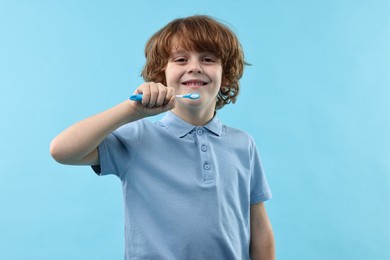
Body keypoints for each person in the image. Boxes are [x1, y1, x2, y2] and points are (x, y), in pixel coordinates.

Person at [50, 15, 275, 260]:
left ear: (226, 76)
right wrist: (131, 110)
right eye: (180, 59)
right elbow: (61, 150)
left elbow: (260, 228)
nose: (195, 67)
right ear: (161, 75)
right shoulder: (138, 138)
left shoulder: (243, 144)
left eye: (208, 59)